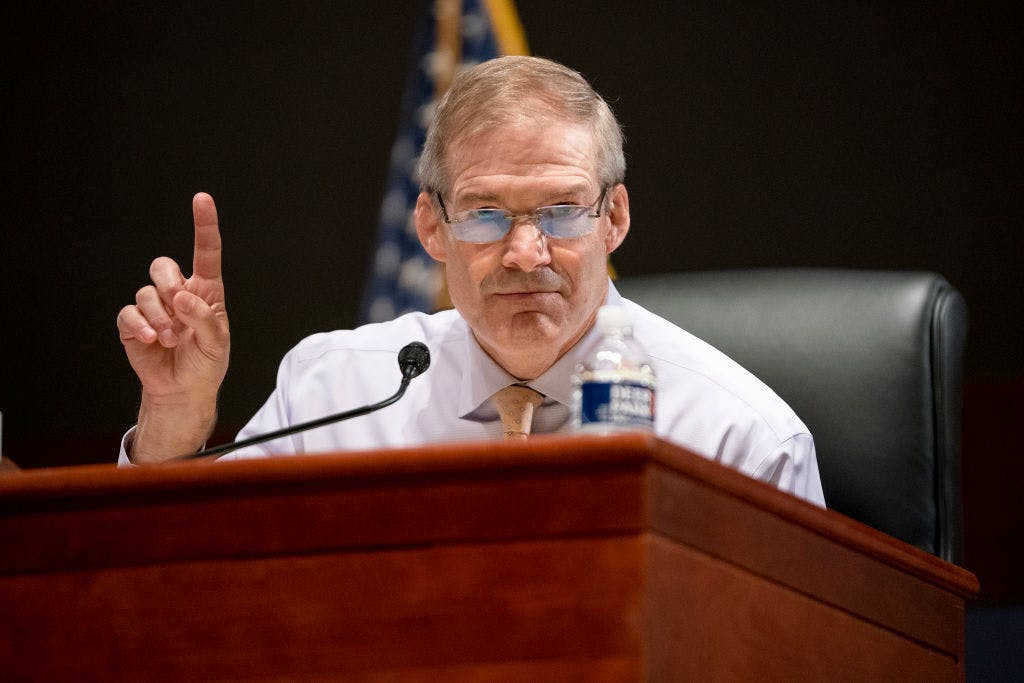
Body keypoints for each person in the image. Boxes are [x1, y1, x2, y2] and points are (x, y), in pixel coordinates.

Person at [116, 56, 825, 506]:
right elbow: (185, 586)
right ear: (431, 227)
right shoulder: (331, 391)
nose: (525, 252)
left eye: (561, 211)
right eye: (486, 215)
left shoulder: (741, 440)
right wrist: (175, 418)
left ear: (614, 218)